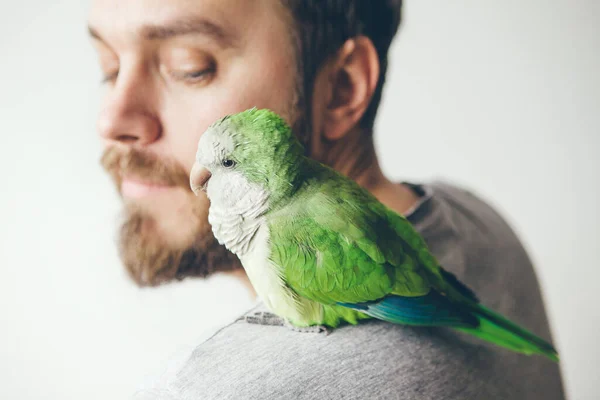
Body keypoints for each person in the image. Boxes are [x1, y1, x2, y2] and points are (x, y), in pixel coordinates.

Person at [87, 0, 566, 398]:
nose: (112, 120)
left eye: (189, 69)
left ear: (342, 88)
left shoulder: (212, 388)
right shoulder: (473, 219)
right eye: (108, 68)